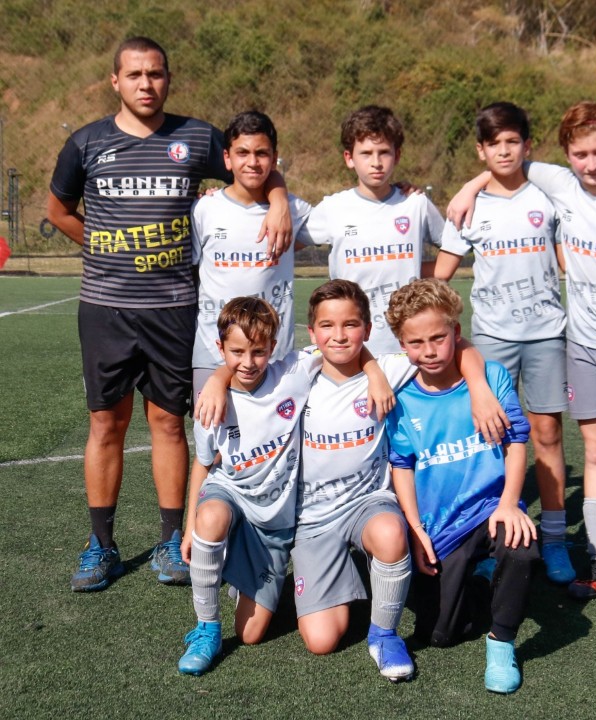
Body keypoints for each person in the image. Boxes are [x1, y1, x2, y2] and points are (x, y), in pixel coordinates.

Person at [46, 36, 292, 592]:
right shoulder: (86, 143)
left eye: (155, 74)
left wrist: (278, 199)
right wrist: (101, 246)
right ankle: (101, 544)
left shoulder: (197, 137)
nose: (145, 84)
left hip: (174, 308)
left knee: (166, 423)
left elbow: (251, 166)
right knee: (106, 424)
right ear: (115, 81)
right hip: (107, 307)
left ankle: (168, 539)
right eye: (134, 75)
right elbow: (57, 210)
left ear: (168, 79)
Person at [448, 101, 596, 611]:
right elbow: (506, 162)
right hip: (585, 346)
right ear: (567, 156)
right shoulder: (561, 184)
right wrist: (470, 186)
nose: (591, 163)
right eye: (581, 154)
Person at [292, 279, 496, 683]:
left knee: (389, 531)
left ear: (367, 330)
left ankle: (383, 634)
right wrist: (215, 380)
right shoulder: (299, 372)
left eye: (351, 325)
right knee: (321, 640)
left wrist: (479, 387)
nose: (339, 335)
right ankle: (343, 573)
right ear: (312, 333)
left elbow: (461, 345)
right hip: (314, 516)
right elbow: (246, 368)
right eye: (328, 326)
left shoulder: (391, 367)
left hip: (368, 502)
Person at [178, 296, 392, 676]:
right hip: (232, 496)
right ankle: (206, 628)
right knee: (209, 518)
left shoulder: (293, 372)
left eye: (258, 352)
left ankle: (252, 572)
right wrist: (190, 525)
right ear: (220, 348)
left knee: (250, 634)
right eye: (237, 352)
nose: (248, 362)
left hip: (275, 525)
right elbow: (204, 464)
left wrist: (374, 372)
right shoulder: (211, 402)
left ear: (273, 348)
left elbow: (343, 346)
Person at [434, 102, 574, 585]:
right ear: (481, 150)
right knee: (491, 435)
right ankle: (494, 538)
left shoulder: (549, 196)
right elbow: (441, 275)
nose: (505, 151)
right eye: (495, 144)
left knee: (547, 434)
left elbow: (569, 261)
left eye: (513, 141)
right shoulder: (468, 207)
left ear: (527, 145)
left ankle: (554, 539)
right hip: (493, 336)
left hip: (546, 334)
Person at [384, 278, 538, 694]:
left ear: (456, 332)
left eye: (438, 338)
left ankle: (502, 643)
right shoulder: (402, 398)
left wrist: (510, 503)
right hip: (441, 523)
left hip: (491, 508)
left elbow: (516, 443)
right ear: (401, 344)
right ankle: (484, 576)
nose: (429, 351)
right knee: (439, 634)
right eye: (416, 342)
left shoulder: (490, 377)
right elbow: (402, 465)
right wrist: (415, 529)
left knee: (520, 547)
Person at [303, 105, 445, 354]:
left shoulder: (415, 203)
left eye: (384, 153)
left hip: (407, 345)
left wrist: (416, 272)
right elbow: (285, 243)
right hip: (352, 344)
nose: (376, 162)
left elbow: (452, 247)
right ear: (349, 158)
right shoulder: (333, 208)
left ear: (397, 155)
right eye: (366, 153)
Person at [192, 110, 312, 398]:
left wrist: (279, 200)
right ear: (227, 158)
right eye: (242, 153)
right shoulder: (204, 209)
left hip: (273, 355)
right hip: (212, 353)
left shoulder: (293, 210)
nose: (252, 162)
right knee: (211, 426)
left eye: (261, 153)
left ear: (274, 157)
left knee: (277, 429)